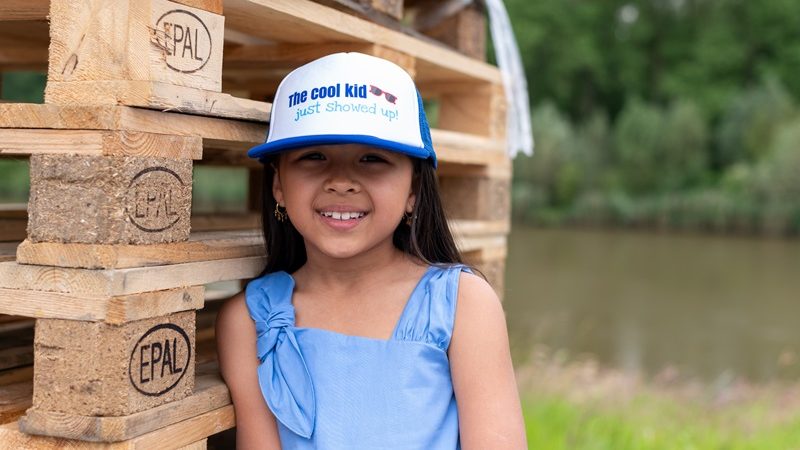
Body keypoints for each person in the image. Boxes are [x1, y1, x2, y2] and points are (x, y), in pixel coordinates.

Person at [216, 52, 527, 449]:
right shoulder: (248, 318)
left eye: (372, 159)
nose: (341, 181)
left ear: (413, 189)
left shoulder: (462, 304)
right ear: (279, 185)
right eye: (313, 157)